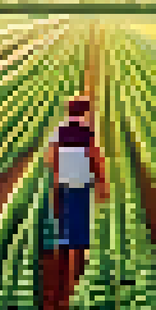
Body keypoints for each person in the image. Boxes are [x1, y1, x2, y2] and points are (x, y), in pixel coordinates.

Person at [46, 99, 107, 281]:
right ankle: (78, 268)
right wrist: (101, 181)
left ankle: (62, 265)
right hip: (81, 181)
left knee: (64, 218)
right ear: (84, 113)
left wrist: (58, 172)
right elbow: (95, 157)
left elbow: (50, 157)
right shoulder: (87, 131)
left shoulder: (59, 130)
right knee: (81, 218)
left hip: (63, 180)